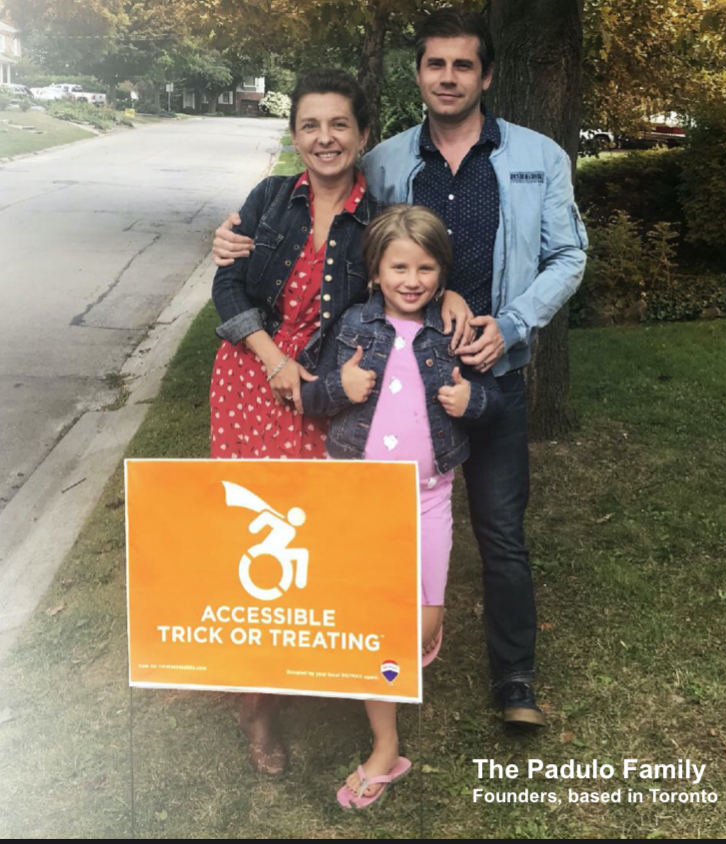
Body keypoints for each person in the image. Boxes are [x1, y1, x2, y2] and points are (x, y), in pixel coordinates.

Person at [214, 8, 588, 729]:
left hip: (492, 373)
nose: (448, 78)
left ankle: (515, 682)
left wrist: (508, 324)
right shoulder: (384, 162)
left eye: (463, 65)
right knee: (361, 529)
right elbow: (367, 253)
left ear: (486, 75)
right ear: (418, 73)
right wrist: (230, 237)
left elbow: (569, 255)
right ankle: (350, 654)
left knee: (501, 531)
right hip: (392, 391)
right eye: (435, 64)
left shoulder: (538, 157)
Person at [210, 68, 474, 775]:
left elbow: (406, 281)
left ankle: (319, 665)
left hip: (327, 392)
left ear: (361, 136)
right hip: (253, 381)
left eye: (338, 126)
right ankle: (257, 706)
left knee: (314, 539)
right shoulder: (269, 197)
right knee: (251, 537)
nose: (323, 139)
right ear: (294, 135)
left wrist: (446, 299)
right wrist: (270, 358)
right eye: (309, 126)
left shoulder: (377, 213)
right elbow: (227, 283)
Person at [299, 204, 505, 808]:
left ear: (441, 273)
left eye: (424, 267)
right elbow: (311, 396)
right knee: (374, 630)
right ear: (375, 270)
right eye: (398, 266)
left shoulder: (451, 330)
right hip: (359, 499)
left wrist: (474, 400)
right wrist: (342, 388)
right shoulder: (352, 327)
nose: (411, 280)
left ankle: (405, 650)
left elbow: (490, 399)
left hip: (428, 500)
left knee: (422, 627)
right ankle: (385, 747)